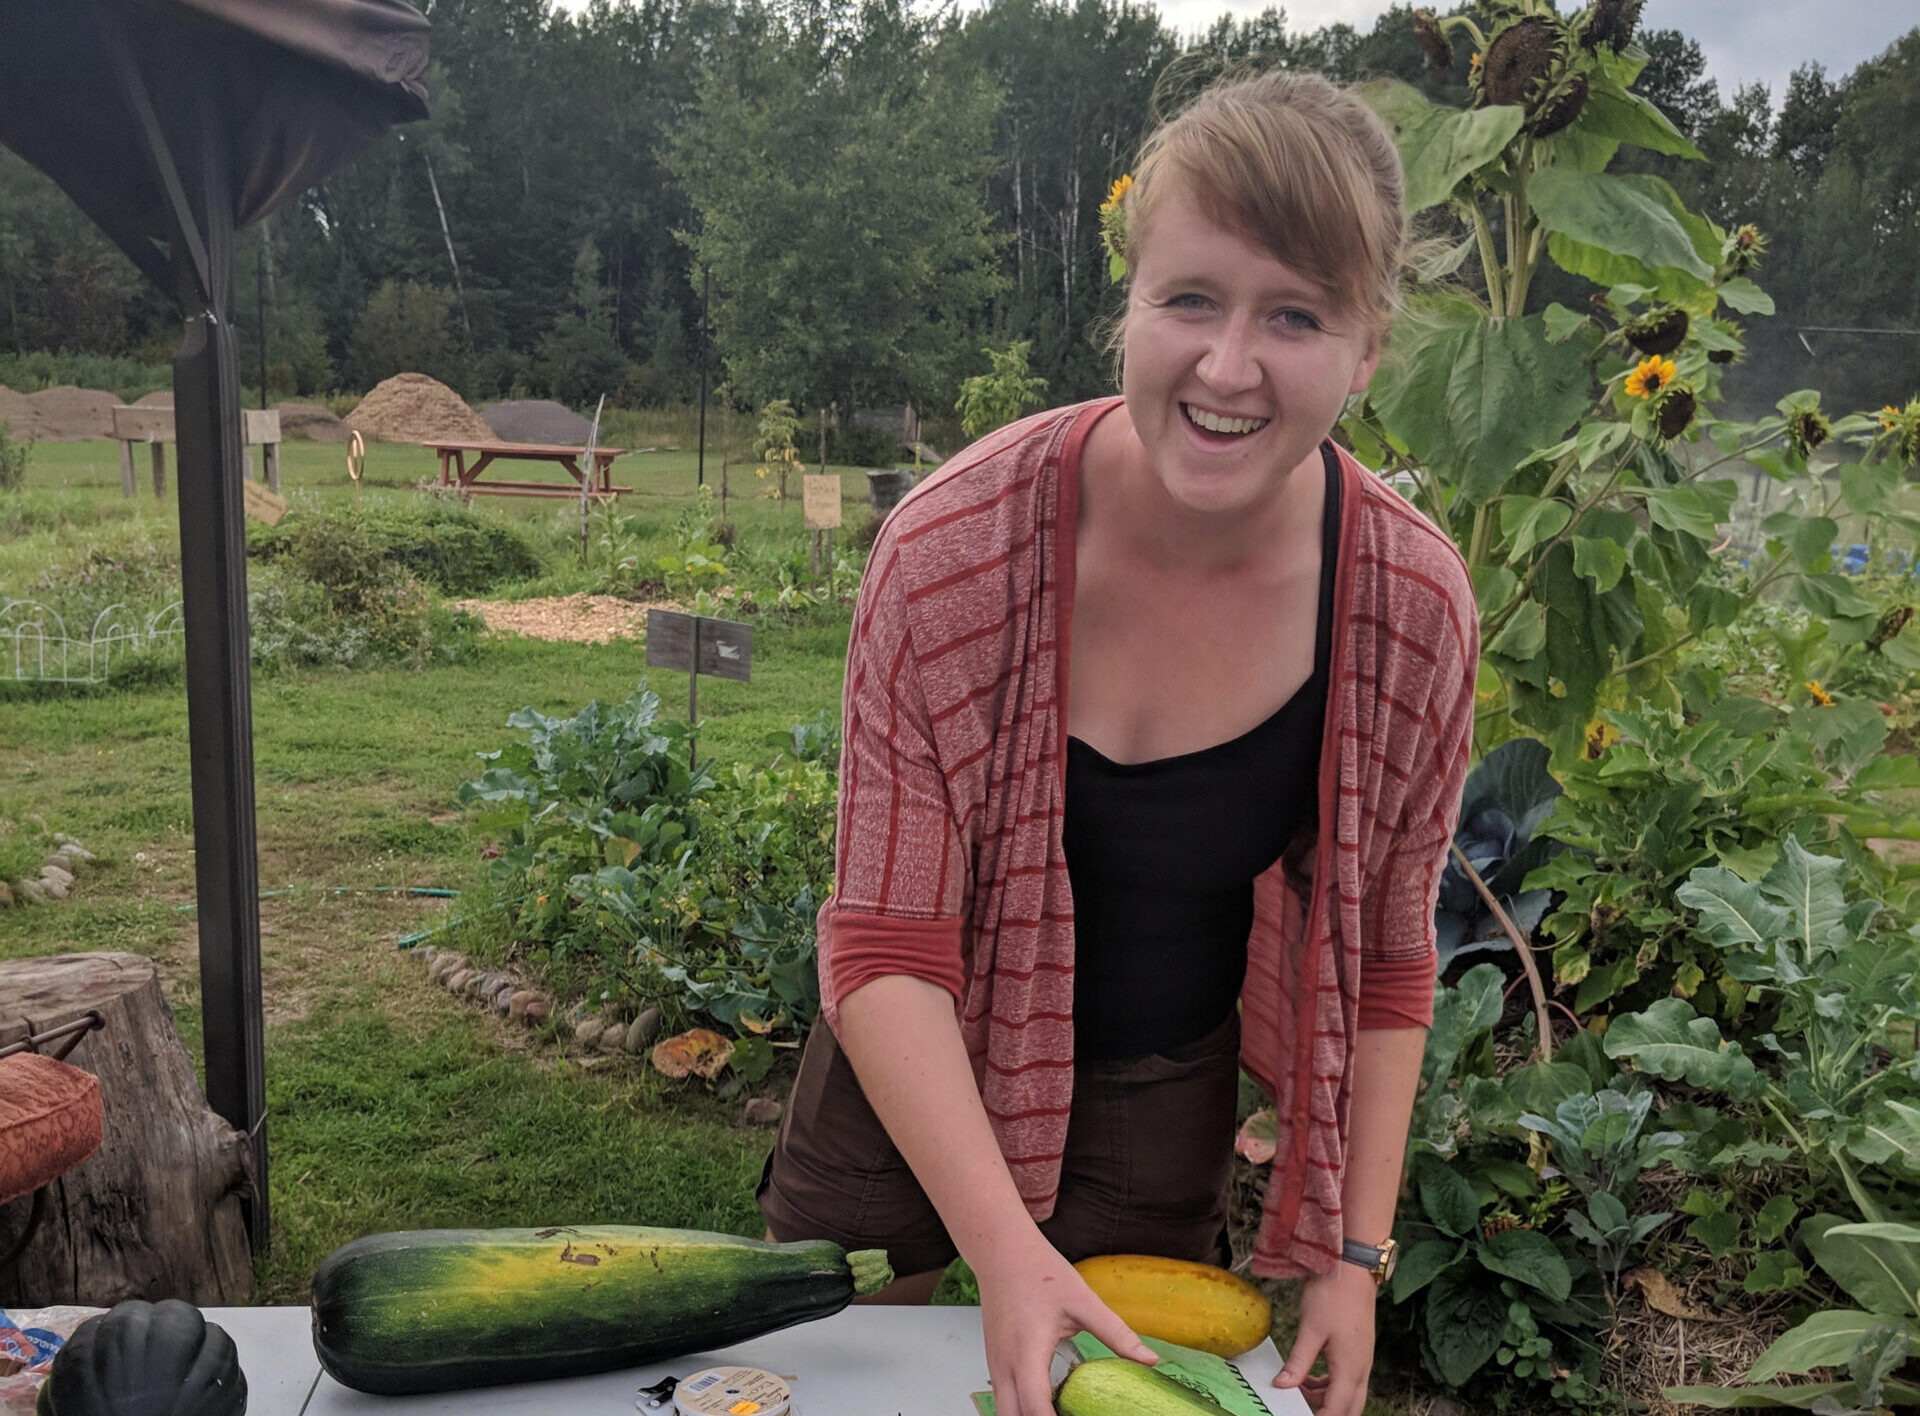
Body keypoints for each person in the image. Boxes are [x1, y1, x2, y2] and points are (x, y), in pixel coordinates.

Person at [758, 69, 1478, 1416]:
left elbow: (1390, 958)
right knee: (829, 1384)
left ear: (1368, 350)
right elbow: (882, 949)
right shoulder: (949, 553)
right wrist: (1002, 1249)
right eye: (1190, 298)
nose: (1227, 366)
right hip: (912, 1057)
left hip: (1163, 1084)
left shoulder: (1411, 608)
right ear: (1129, 305)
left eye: (1296, 317)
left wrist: (1355, 1260)